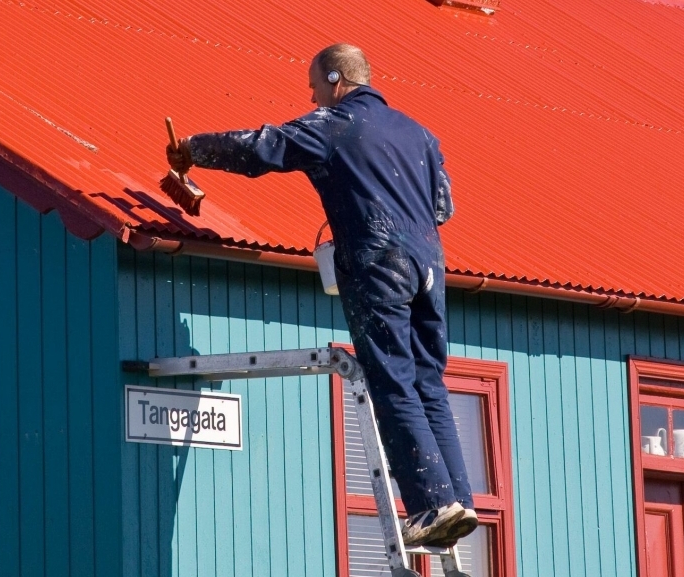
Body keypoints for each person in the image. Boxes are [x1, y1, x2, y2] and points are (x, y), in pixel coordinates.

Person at [166, 43, 476, 547]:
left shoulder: (337, 123)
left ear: (336, 80)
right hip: (430, 267)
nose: (310, 96)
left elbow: (262, 147)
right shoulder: (421, 134)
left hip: (380, 263)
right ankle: (458, 502)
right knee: (428, 382)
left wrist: (194, 150)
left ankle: (430, 505)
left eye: (313, 85)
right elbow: (443, 208)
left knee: (392, 378)